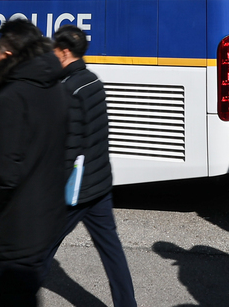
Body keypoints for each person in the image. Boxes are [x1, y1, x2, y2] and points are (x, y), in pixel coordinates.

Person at [41, 24, 137, 307]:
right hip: (100, 186)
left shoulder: (68, 89)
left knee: (39, 250)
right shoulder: (93, 80)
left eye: (55, 51)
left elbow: (67, 148)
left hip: (75, 193)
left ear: (66, 51)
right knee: (112, 251)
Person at [0, 19, 67, 306]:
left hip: (16, 230)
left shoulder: (13, 97)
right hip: (45, 223)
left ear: (10, 55)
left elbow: (2, 173)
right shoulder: (56, 89)